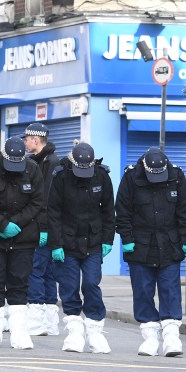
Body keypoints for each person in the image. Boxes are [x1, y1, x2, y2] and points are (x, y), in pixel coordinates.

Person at [115, 147, 186, 357]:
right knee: (143, 291)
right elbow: (122, 211)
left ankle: (171, 337)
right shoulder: (131, 177)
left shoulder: (176, 176)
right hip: (140, 245)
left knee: (170, 289)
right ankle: (150, 337)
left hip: (169, 244)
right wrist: (127, 239)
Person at [0, 136, 45, 349]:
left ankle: (19, 332)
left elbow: (37, 202)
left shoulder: (32, 169)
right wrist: (1, 224)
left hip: (22, 237)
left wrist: (16, 223)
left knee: (19, 283)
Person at [48, 142, 115, 354]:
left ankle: (95, 330)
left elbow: (108, 211)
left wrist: (108, 239)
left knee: (91, 283)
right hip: (67, 242)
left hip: (93, 241)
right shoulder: (60, 176)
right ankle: (74, 332)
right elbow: (53, 212)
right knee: (69, 286)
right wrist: (55, 244)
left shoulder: (102, 176)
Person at [23, 122, 62, 336]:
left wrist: (44, 227)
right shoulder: (39, 161)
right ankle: (50, 321)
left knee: (36, 271)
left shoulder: (50, 163)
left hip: (41, 227)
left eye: (27, 139)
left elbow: (46, 199)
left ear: (36, 139)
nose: (26, 143)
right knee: (47, 273)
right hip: (44, 226)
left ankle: (38, 320)